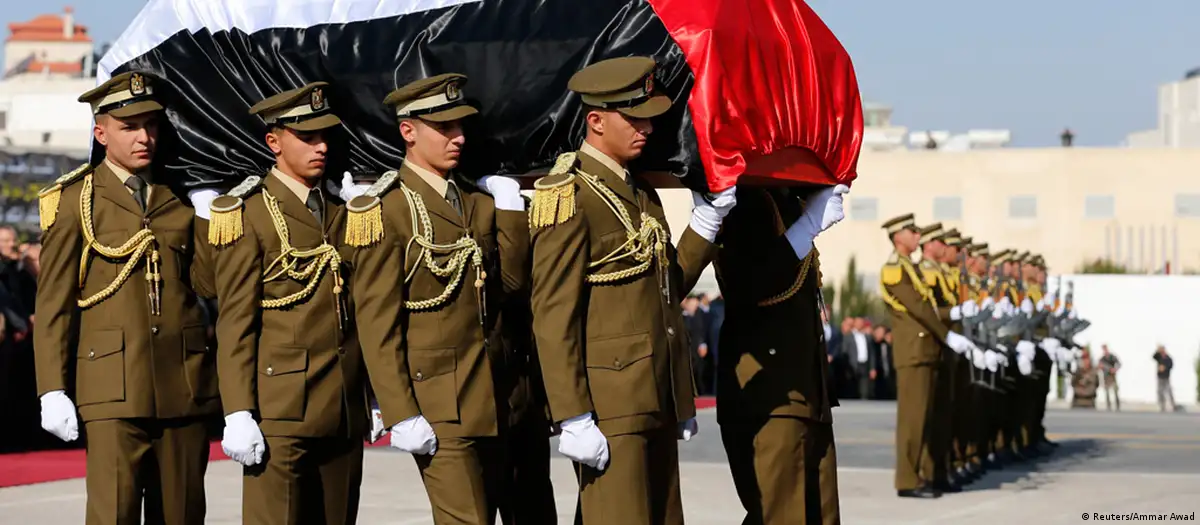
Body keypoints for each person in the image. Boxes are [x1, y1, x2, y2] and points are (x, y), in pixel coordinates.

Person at [528, 56, 735, 524]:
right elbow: (553, 315)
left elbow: (664, 289)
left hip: (653, 395)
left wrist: (704, 226)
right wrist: (573, 415)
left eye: (649, 117)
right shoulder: (569, 195)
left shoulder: (641, 192)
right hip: (609, 406)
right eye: (634, 117)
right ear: (596, 121)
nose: (647, 127)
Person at [342, 72, 544, 524]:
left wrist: (510, 210)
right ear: (408, 131)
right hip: (438, 406)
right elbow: (377, 323)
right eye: (444, 127)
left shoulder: (478, 200)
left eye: (461, 126)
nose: (459, 137)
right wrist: (399, 411)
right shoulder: (387, 210)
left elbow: (512, 285)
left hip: (499, 396)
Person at [35, 71, 218, 525]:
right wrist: (52, 388)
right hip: (112, 387)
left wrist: (206, 217)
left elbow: (209, 285)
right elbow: (54, 304)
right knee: (112, 514)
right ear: (101, 134)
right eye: (129, 127)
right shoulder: (75, 200)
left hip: (183, 383)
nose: (144, 137)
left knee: (181, 515)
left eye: (151, 125)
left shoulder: (179, 195)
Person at [208, 82, 369, 525]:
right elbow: (236, 322)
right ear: (274, 142)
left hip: (343, 404)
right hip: (280, 409)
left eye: (324, 137)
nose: (321, 147)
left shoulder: (342, 208)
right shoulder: (250, 213)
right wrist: (238, 410)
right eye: (306, 137)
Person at [713, 182, 847, 524]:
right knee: (781, 515)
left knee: (819, 515)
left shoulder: (789, 202)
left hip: (806, 391)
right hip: (770, 393)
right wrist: (807, 227)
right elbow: (749, 284)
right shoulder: (748, 201)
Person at [878, 214, 977, 499]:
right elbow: (919, 309)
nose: (917, 236)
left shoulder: (910, 268)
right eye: (912, 232)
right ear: (898, 236)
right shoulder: (894, 269)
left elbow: (930, 308)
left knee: (931, 417)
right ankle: (907, 479)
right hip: (913, 350)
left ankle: (931, 475)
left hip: (927, 349)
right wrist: (947, 335)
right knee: (913, 420)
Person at [1097, 345, 1121, 411]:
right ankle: (1108, 406)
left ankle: (1118, 406)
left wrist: (1115, 369)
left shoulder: (1112, 357)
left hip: (1112, 376)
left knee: (1115, 390)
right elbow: (1099, 366)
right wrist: (1102, 367)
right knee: (1107, 391)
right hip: (1106, 377)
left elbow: (1119, 364)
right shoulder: (1102, 359)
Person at [1153, 345, 1176, 413]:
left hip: (1166, 376)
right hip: (1160, 377)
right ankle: (1161, 405)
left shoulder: (1168, 358)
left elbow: (1171, 365)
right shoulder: (1159, 357)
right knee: (1160, 391)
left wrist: (1165, 368)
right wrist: (1157, 351)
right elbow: (1153, 357)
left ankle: (1172, 405)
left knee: (1168, 390)